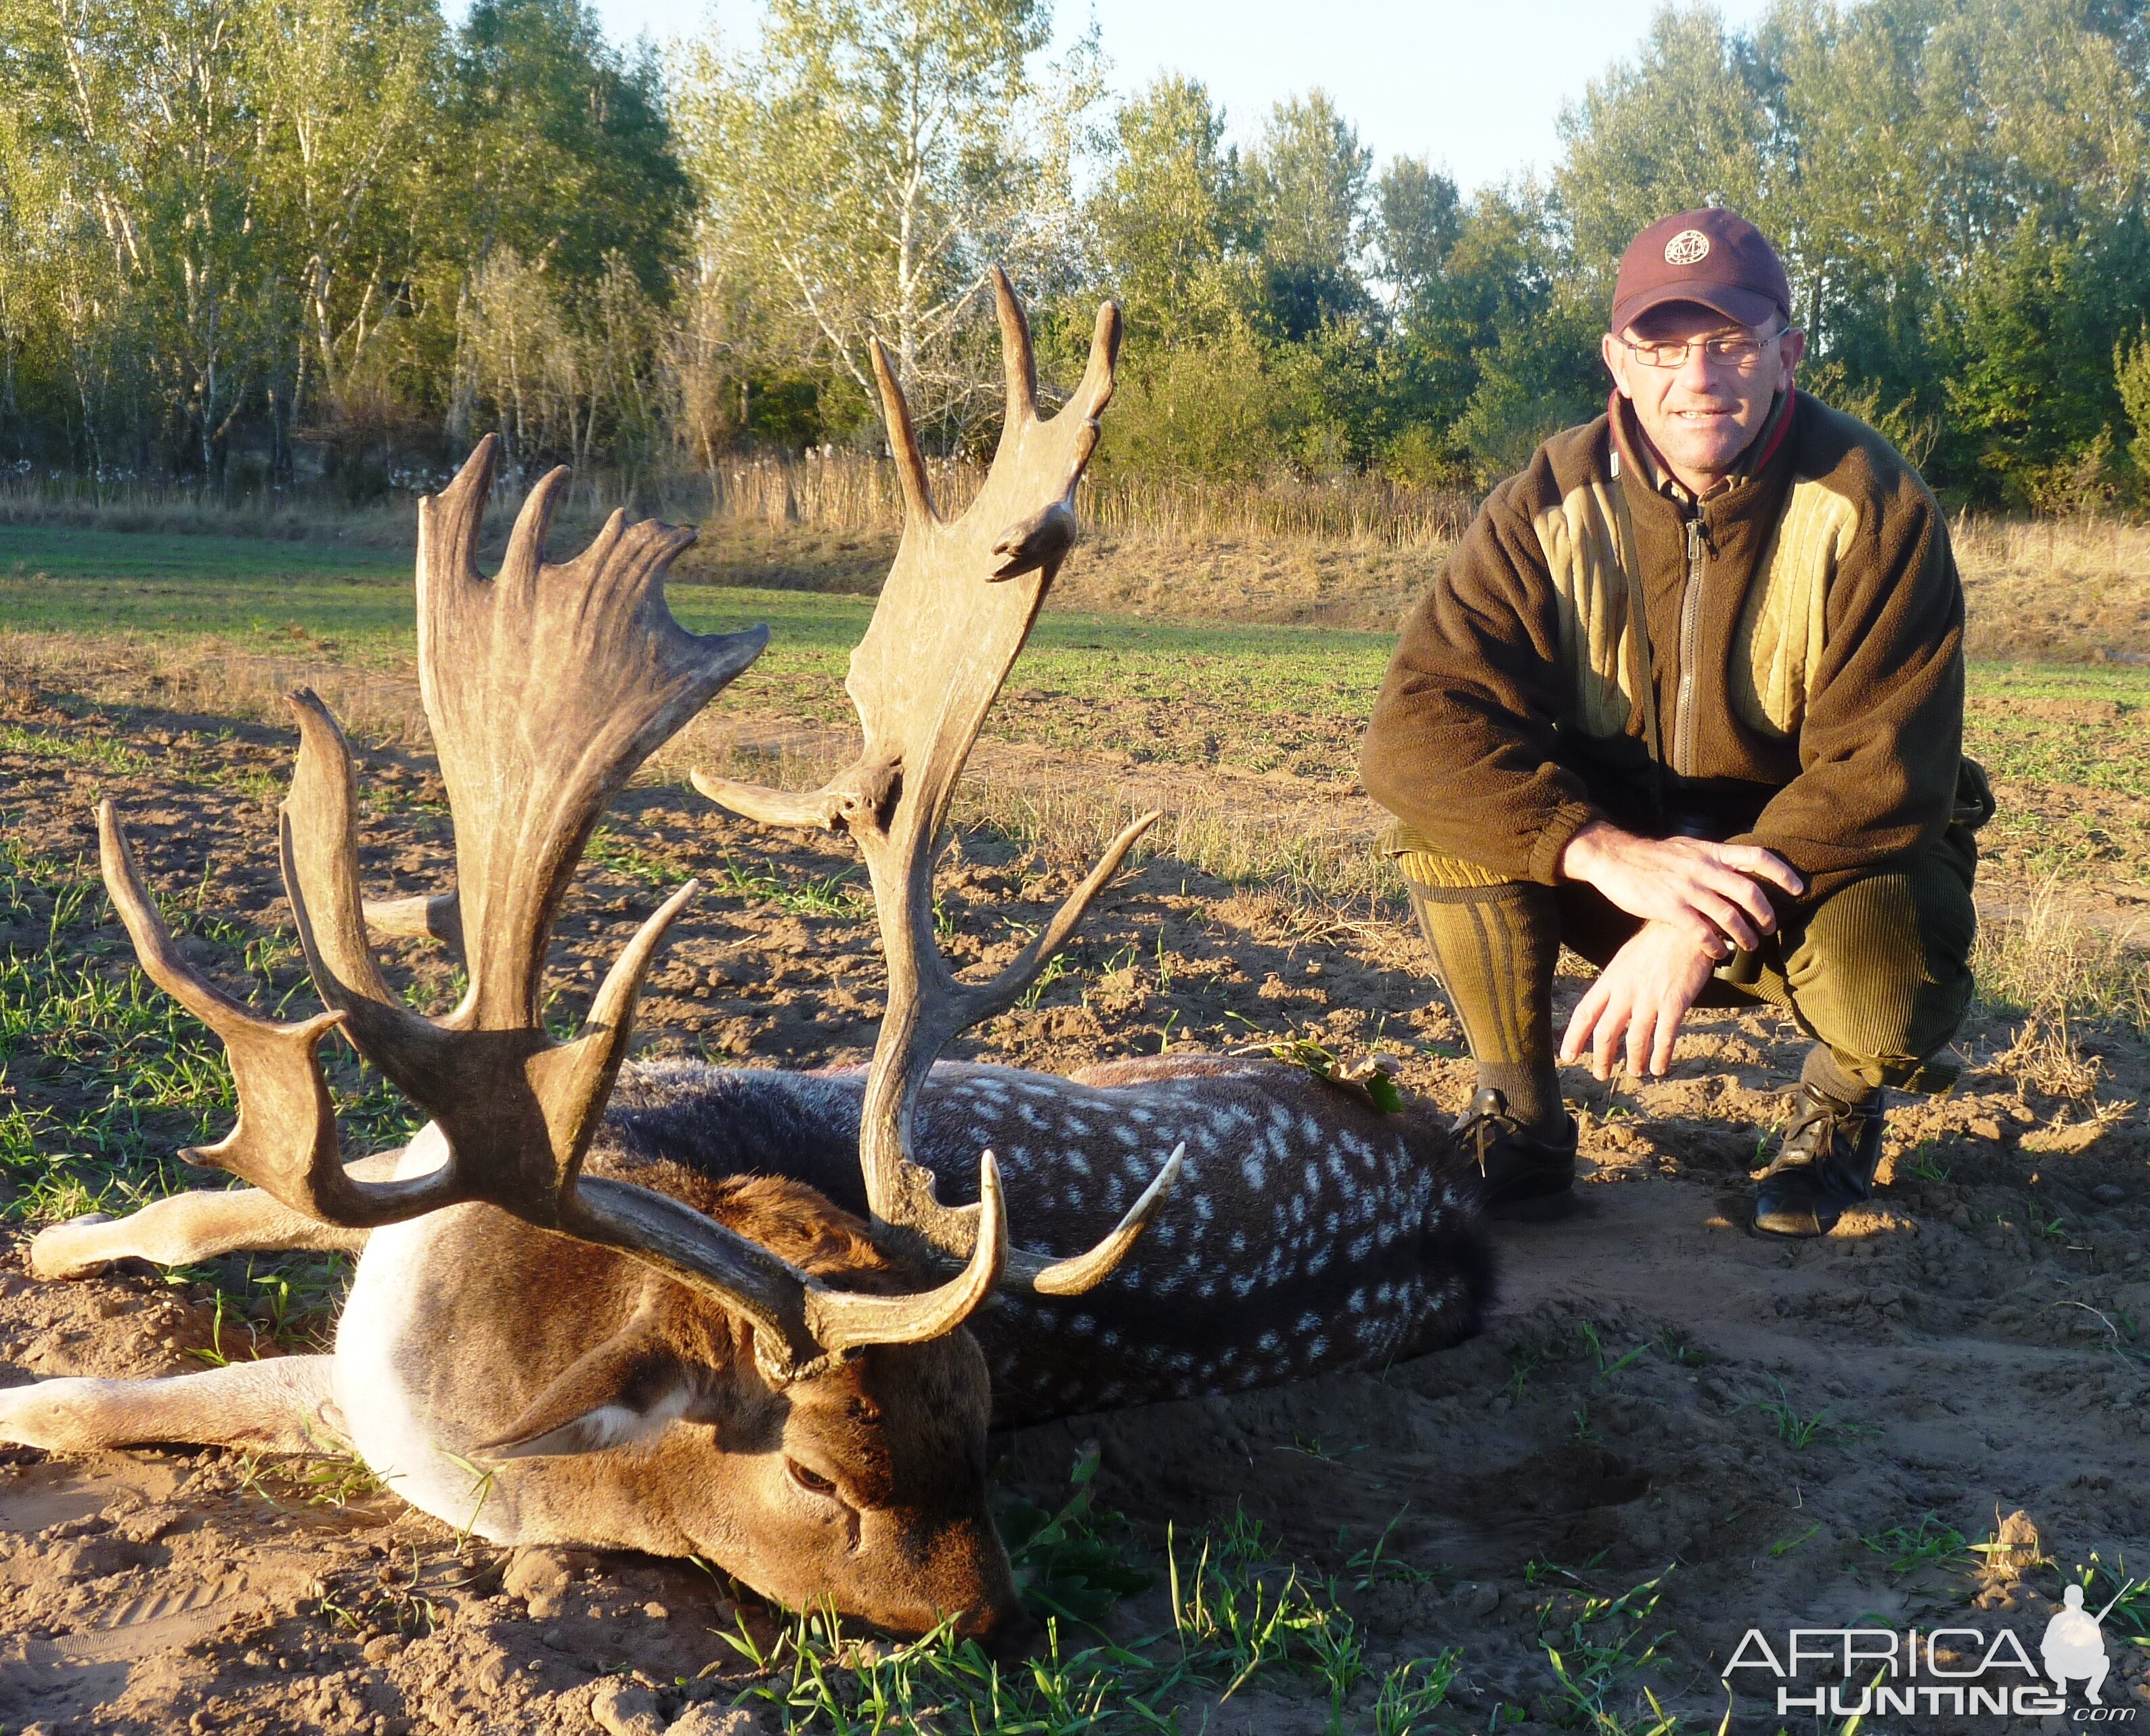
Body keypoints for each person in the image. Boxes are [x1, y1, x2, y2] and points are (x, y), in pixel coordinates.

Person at [1359, 207, 1990, 1238]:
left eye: (1730, 344)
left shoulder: (1876, 504)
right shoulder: (1544, 502)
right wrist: (1601, 852)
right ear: (1618, 358)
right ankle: (1518, 1124)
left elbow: (1885, 772)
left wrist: (1694, 918)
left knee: (1896, 970)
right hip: (1619, 861)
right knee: (1449, 817)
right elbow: (1418, 725)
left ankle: (1836, 1111)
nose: (1696, 379)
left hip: (1807, 874)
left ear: (1785, 353)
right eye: (1663, 345)